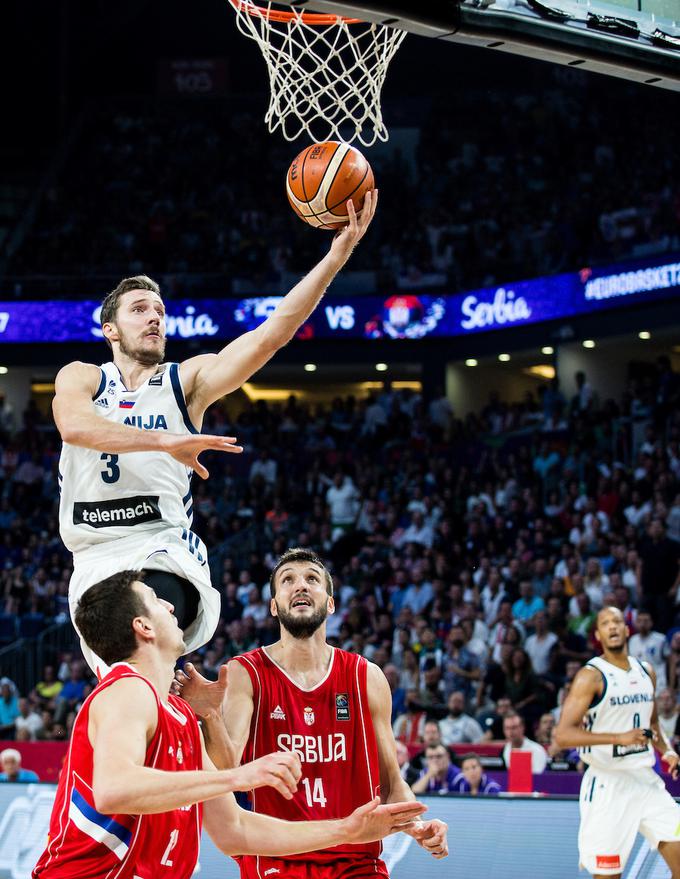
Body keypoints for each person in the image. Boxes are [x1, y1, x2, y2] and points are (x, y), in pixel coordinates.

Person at [53, 196, 377, 674]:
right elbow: (74, 426)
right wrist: (165, 442)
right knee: (129, 690)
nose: (154, 318)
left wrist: (335, 257)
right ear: (111, 330)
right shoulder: (81, 377)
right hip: (92, 559)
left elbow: (271, 334)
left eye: (159, 310)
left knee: (146, 638)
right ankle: (190, 726)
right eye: (139, 309)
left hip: (160, 546)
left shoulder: (187, 383)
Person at [33, 569, 426, 878]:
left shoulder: (180, 715)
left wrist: (347, 831)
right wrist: (240, 777)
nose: (172, 607)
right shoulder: (127, 689)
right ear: (144, 627)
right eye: (157, 601)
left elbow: (234, 830)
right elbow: (114, 789)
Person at [175, 547, 449, 879]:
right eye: (287, 580)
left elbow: (392, 783)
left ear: (330, 603)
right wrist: (211, 717)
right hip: (277, 860)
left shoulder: (367, 677)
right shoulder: (245, 673)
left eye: (312, 579)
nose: (300, 585)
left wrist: (417, 826)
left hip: (356, 864)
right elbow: (227, 771)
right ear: (274, 607)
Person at [554, 606, 680, 879]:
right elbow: (562, 735)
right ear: (598, 634)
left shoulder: (646, 671)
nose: (612, 627)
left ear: (626, 629)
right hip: (606, 785)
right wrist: (616, 738)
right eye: (605, 623)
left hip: (645, 781)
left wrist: (666, 750)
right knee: (609, 876)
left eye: (616, 621)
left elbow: (653, 724)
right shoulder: (591, 676)